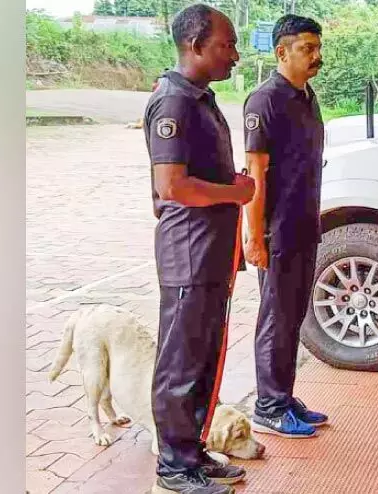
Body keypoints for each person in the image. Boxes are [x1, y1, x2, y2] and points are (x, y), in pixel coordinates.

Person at [143, 4, 256, 493]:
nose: (234, 53)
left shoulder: (200, 98)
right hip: (188, 254)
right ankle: (173, 464)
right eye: (226, 44)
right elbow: (171, 186)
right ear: (195, 45)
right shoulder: (173, 103)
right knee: (181, 362)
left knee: (205, 356)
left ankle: (193, 452)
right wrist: (235, 193)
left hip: (210, 252)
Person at [241, 14, 328, 439]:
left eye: (317, 47)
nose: (317, 56)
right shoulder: (265, 102)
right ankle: (268, 406)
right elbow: (254, 174)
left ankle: (283, 394)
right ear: (282, 52)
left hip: (303, 226)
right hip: (276, 232)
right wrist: (252, 236)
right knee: (275, 317)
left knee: (292, 315)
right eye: (307, 49)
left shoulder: (306, 96)